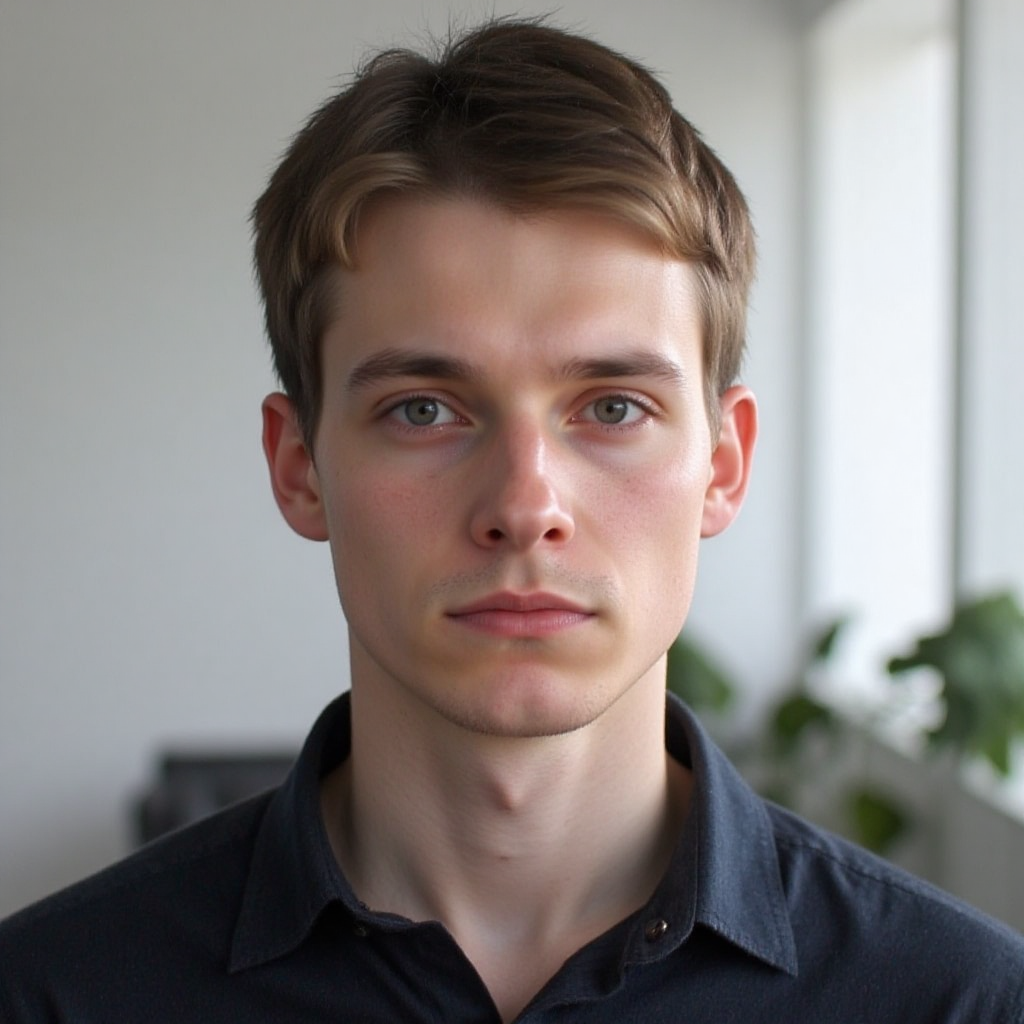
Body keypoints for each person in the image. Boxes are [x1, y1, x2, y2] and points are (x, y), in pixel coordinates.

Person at [2, 16, 1022, 1024]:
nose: (524, 507)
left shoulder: (962, 1002)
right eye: (424, 409)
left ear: (722, 464)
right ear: (299, 466)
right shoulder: (49, 994)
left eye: (613, 408)